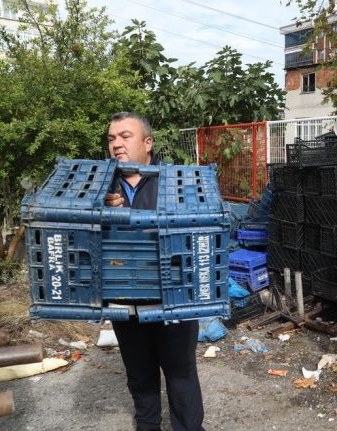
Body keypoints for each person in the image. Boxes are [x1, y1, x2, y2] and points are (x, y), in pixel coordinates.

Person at [105, 112, 205, 431]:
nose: (116, 144)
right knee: (140, 379)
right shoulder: (99, 185)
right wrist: (103, 213)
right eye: (111, 139)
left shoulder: (175, 181)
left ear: (148, 143)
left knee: (180, 376)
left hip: (172, 297)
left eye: (125, 136)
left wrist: (134, 218)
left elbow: (196, 229)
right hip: (124, 299)